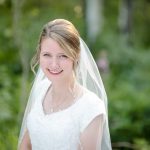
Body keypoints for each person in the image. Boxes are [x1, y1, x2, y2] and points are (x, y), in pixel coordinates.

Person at [18, 19, 112, 150]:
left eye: (63, 56)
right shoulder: (41, 89)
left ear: (76, 56)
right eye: (47, 55)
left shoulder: (91, 108)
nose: (54, 64)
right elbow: (26, 145)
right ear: (39, 54)